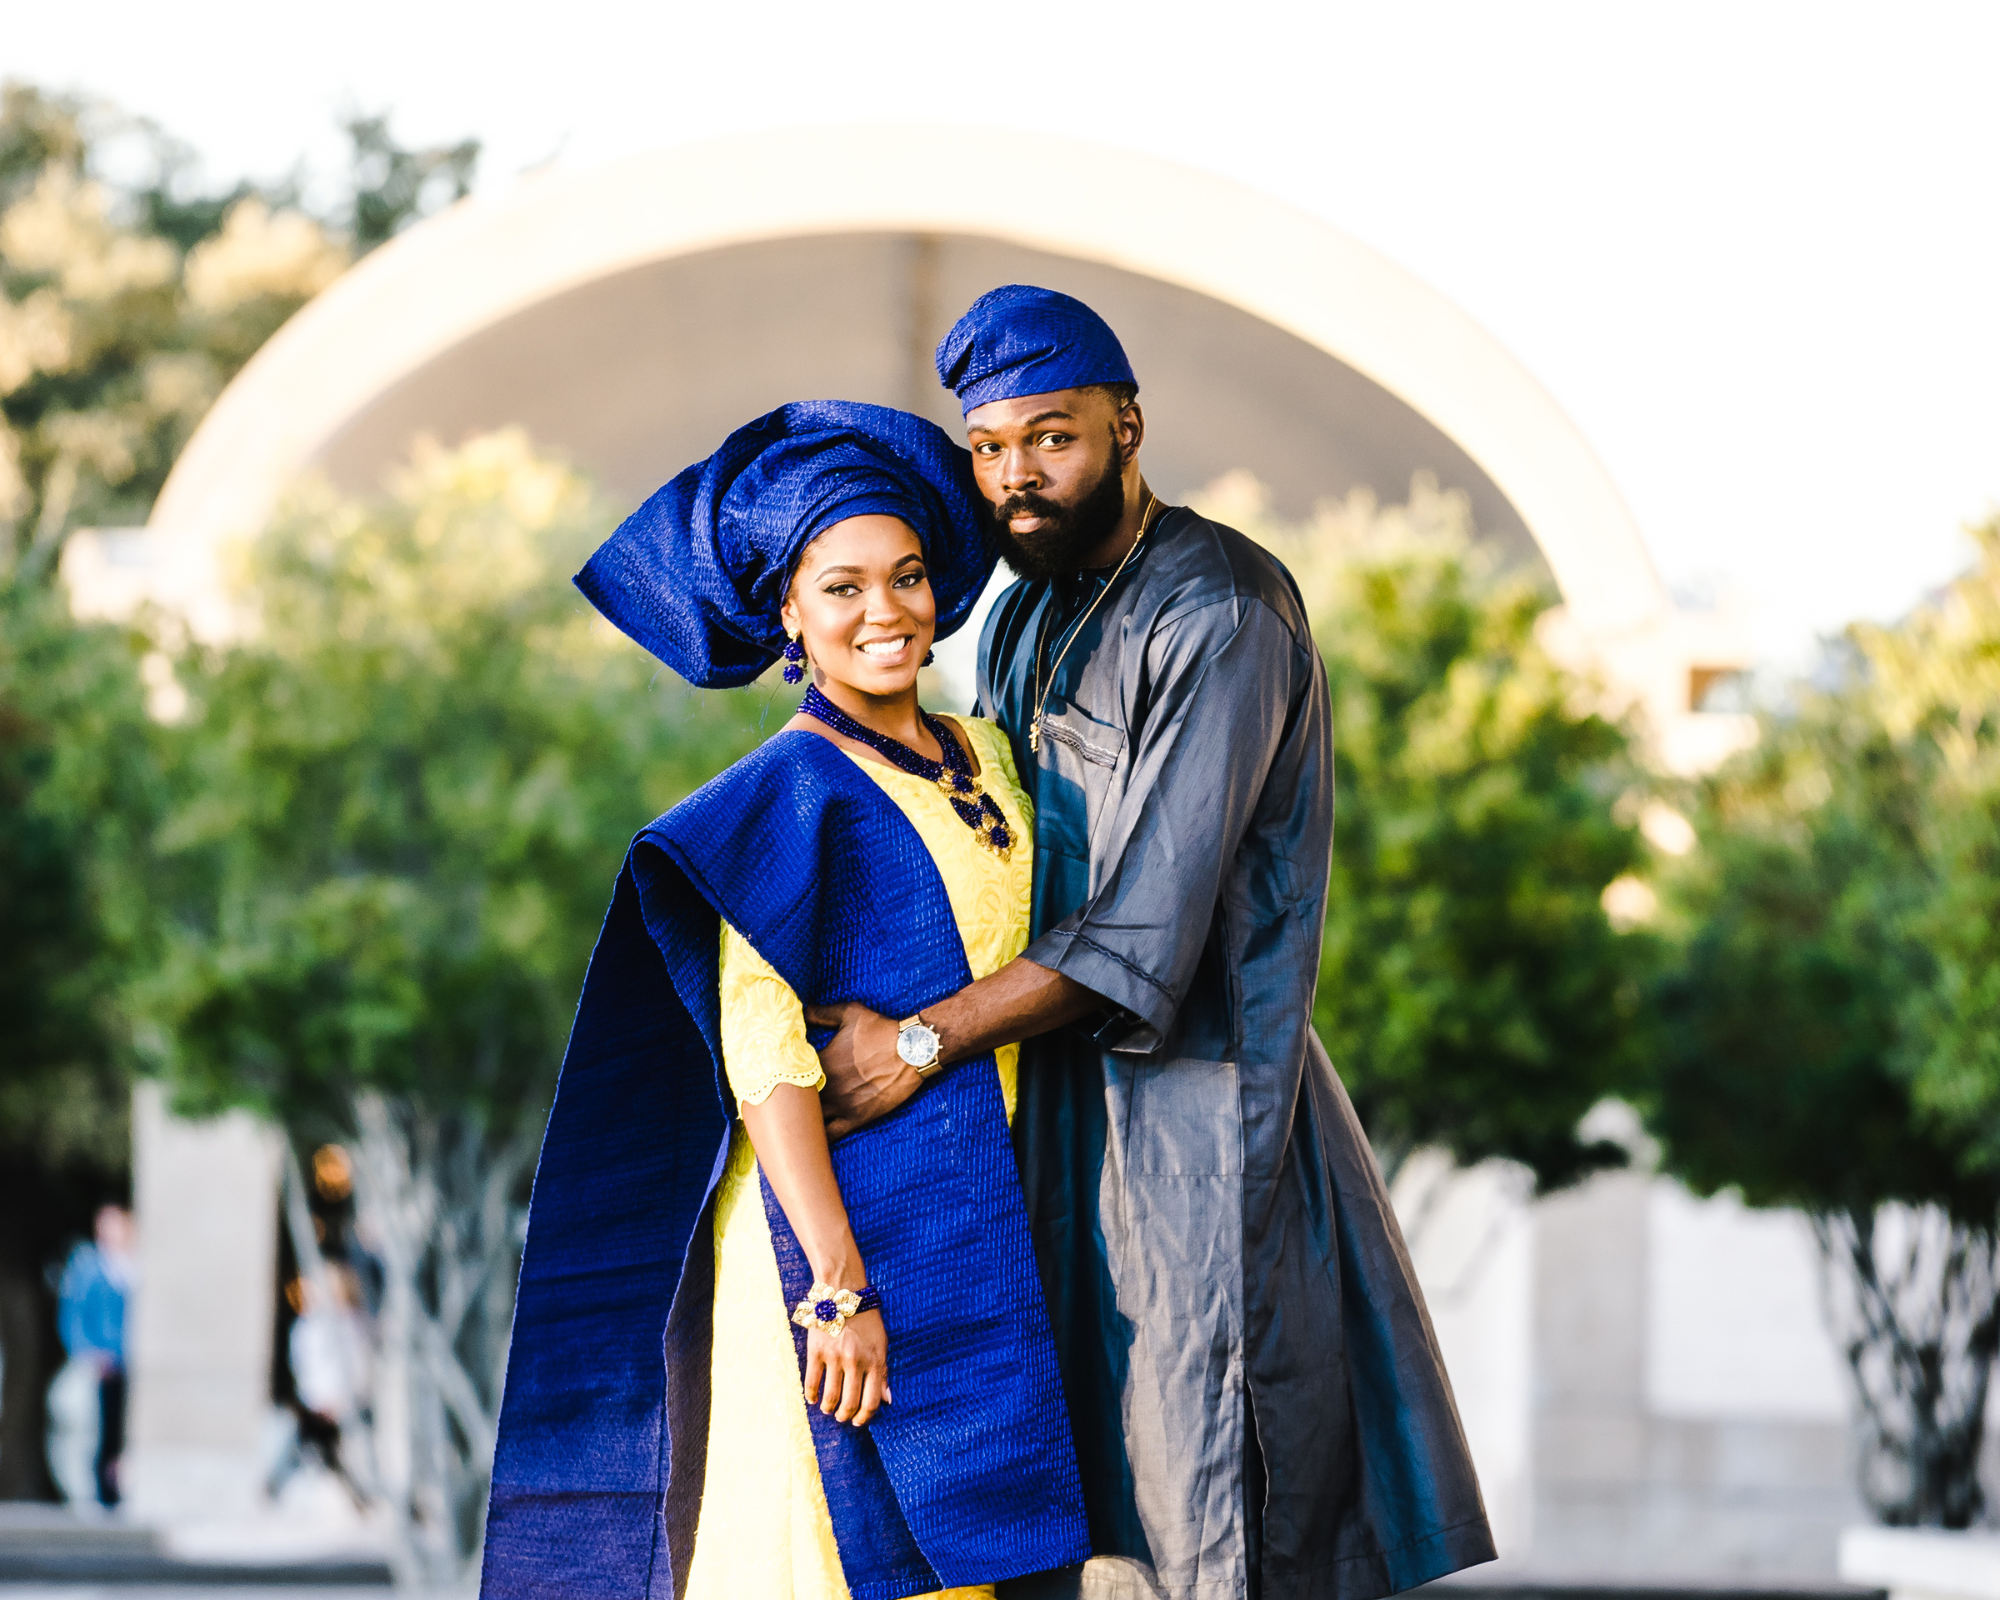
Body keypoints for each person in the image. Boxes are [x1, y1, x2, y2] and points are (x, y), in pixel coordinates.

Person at [809, 287, 1497, 1600]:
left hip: (1197, 1143)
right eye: (992, 447)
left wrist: (916, 1042)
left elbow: (1141, 935)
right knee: (1054, 1524)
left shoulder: (1222, 609)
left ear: (1128, 427)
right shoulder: (1013, 622)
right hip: (1048, 1128)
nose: (1017, 475)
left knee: (1210, 1519)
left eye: (1051, 438)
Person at [481, 401, 1090, 1600]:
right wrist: (836, 1288)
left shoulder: (996, 759)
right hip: (829, 1244)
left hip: (980, 1229)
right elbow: (767, 1066)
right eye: (845, 587)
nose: (886, 613)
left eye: (909, 576)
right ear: (788, 618)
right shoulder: (777, 800)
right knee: (821, 1562)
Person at [55, 1205, 134, 1509]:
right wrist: (88, 1352)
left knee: (121, 1433)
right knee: (95, 1431)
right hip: (101, 1364)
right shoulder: (88, 1266)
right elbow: (73, 1316)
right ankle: (95, 1493)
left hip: (129, 1363)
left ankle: (117, 1491)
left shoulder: (133, 1266)